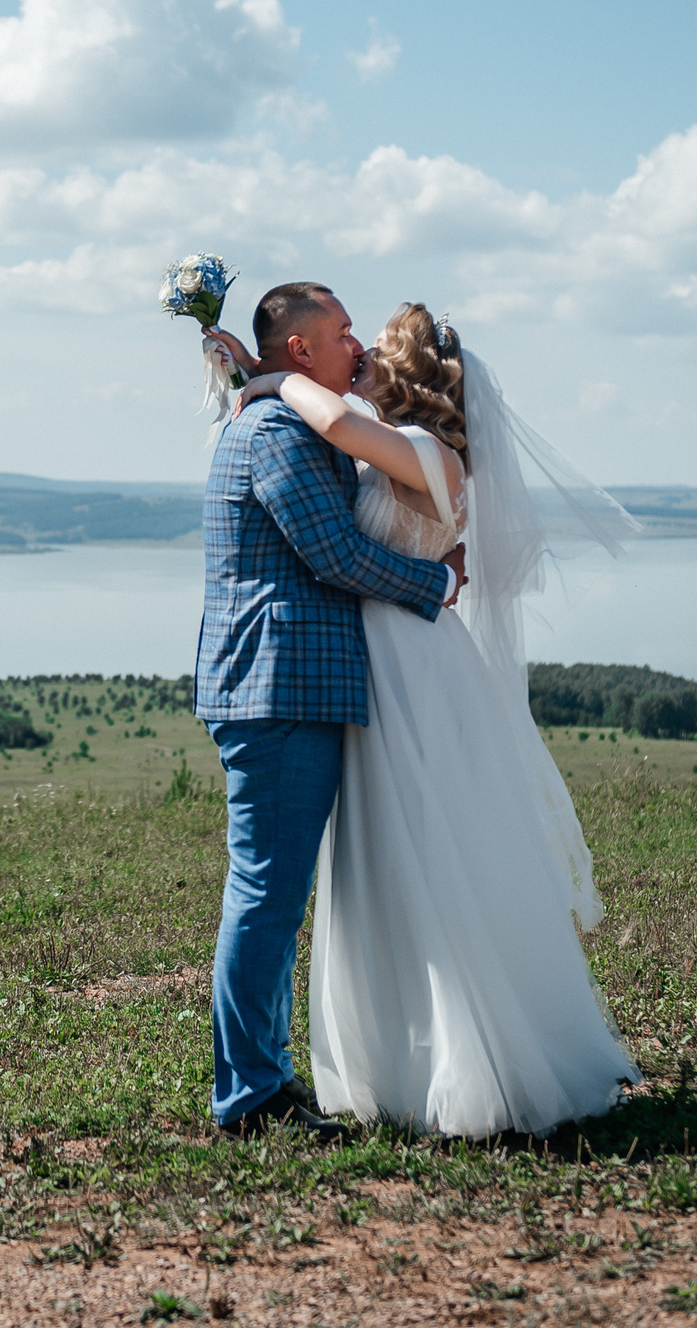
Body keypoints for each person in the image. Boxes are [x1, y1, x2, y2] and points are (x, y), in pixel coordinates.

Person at [213, 301, 640, 1138]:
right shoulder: (399, 448)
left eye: (374, 344)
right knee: (388, 866)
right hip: (382, 666)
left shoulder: (417, 449)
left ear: (411, 380)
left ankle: (439, 1061)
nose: (360, 347)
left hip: (404, 671)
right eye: (347, 337)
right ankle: (377, 1064)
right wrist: (251, 380)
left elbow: (332, 440)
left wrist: (264, 378)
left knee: (419, 859)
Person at [195, 282, 465, 1139]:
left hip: (297, 686)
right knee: (268, 887)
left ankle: (262, 1080)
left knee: (276, 887)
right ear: (303, 351)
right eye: (344, 333)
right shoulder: (274, 430)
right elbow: (333, 551)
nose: (357, 346)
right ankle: (250, 1097)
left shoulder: (286, 416)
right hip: (277, 688)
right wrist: (440, 580)